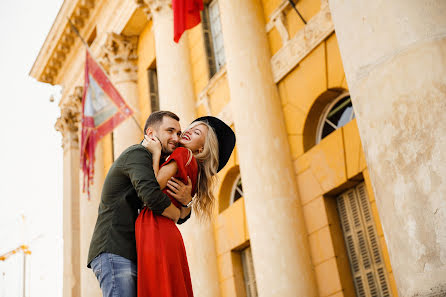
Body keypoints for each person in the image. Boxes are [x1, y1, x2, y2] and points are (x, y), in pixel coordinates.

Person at [87, 111, 195, 297]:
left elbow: (169, 206)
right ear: (151, 133)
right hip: (115, 249)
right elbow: (151, 196)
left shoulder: (158, 162)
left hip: (135, 254)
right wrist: (177, 214)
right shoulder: (137, 154)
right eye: (170, 131)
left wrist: (186, 203)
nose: (176, 138)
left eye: (178, 133)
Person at [136, 116, 236, 297]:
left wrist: (156, 152)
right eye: (189, 128)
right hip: (165, 228)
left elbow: (154, 185)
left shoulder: (183, 155)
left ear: (202, 148)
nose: (188, 131)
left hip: (155, 226)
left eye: (196, 132)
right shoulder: (194, 168)